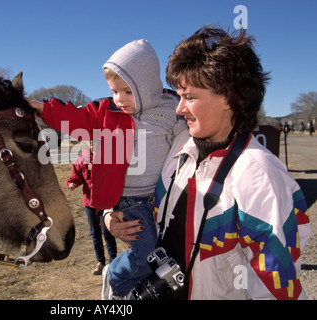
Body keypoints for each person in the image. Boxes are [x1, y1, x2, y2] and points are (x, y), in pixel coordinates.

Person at [104, 26, 311, 300]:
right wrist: (110, 215)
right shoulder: (177, 144)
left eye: (189, 97)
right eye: (179, 96)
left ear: (228, 97)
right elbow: (131, 182)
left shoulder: (261, 176)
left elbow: (276, 289)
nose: (179, 108)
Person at [28, 39, 186, 298]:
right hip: (129, 200)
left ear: (146, 85)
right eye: (114, 91)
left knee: (163, 251)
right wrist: (44, 109)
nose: (118, 99)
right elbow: (77, 118)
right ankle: (118, 281)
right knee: (147, 252)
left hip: (162, 197)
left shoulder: (172, 109)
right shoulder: (107, 112)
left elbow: (190, 141)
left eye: (126, 91)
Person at [66, 144, 117, 275]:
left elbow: (113, 175)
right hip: (89, 202)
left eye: (96, 140)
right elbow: (76, 177)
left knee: (108, 232)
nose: (93, 143)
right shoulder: (82, 158)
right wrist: (72, 184)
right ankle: (100, 262)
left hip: (104, 202)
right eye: (91, 140)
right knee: (95, 234)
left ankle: (113, 262)